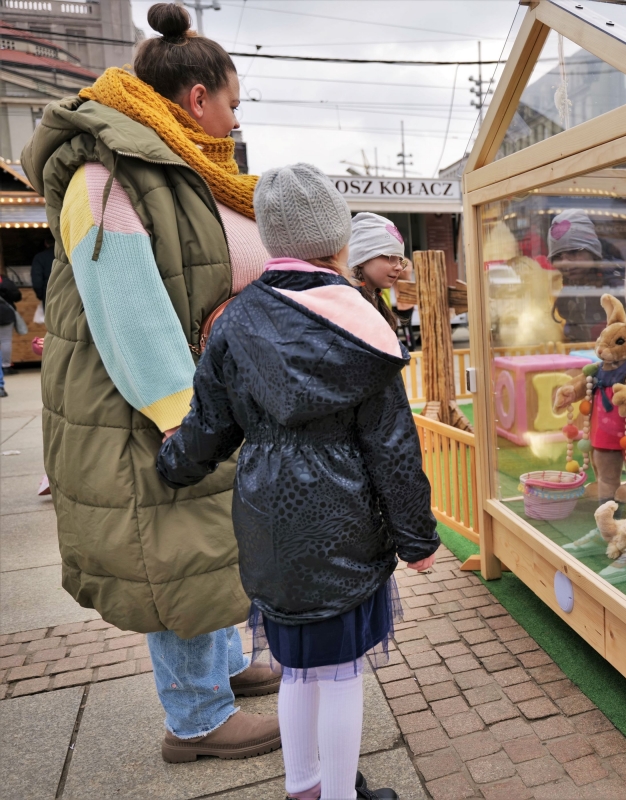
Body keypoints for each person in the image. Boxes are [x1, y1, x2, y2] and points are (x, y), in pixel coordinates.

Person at [21, 3, 282, 761]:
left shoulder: (175, 166)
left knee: (208, 545)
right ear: (197, 98)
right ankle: (196, 720)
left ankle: (225, 671)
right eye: (233, 102)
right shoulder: (106, 176)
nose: (235, 120)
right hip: (151, 407)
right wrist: (188, 420)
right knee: (176, 550)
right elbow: (131, 313)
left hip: (194, 397)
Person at [158, 164, 439, 800]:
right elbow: (393, 448)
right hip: (343, 519)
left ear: (271, 241)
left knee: (297, 671)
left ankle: (305, 787)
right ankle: (339, 794)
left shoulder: (233, 321)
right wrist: (416, 540)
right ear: (340, 243)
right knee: (339, 674)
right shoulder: (364, 325)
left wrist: (171, 466)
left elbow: (207, 426)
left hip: (266, 517)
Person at [548, 209, 623, 341]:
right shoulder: (568, 287)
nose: (565, 263)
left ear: (592, 252)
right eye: (558, 256)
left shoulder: (615, 287)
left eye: (574, 252)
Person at [348, 211, 412, 336]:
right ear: (362, 257)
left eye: (400, 260)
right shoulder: (348, 305)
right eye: (391, 258)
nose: (399, 267)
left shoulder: (371, 298)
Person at [0, 272, 23, 398]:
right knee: (5, 341)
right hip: (5, 314)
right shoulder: (4, 280)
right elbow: (16, 295)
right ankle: (6, 366)